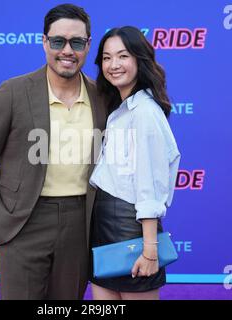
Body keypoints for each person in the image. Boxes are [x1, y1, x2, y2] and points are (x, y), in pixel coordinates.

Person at [0, 4, 106, 300]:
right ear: (44, 42)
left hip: (80, 224)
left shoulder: (101, 97)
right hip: (24, 222)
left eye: (77, 42)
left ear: (88, 46)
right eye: (58, 41)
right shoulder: (13, 93)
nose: (67, 50)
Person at [89, 26, 181, 300]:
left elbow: (148, 185)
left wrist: (150, 249)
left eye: (122, 56)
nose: (113, 65)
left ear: (139, 59)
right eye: (106, 58)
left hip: (131, 228)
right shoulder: (121, 110)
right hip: (103, 224)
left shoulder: (144, 112)